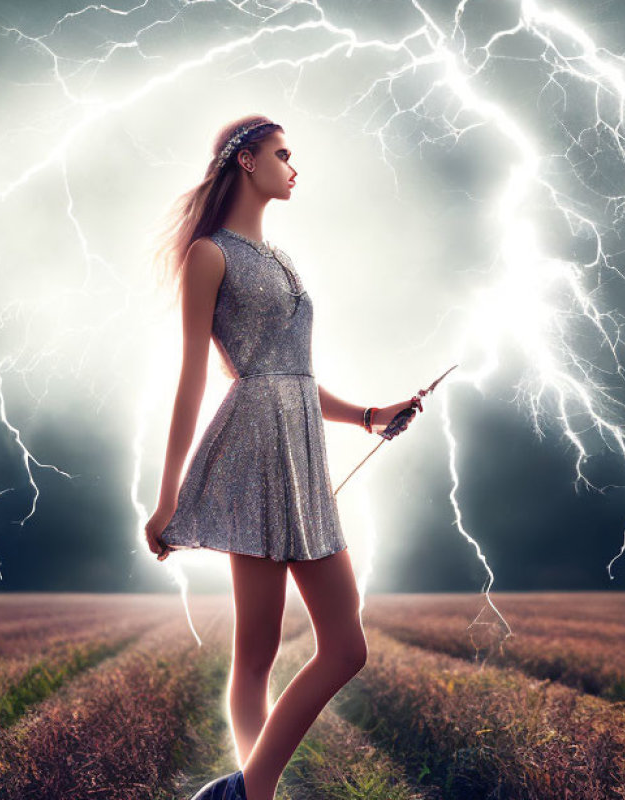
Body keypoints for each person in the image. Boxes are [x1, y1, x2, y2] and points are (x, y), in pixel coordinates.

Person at [144, 114, 421, 800]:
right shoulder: (210, 254)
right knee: (258, 650)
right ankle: (254, 794)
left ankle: (241, 791)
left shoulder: (282, 260)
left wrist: (368, 415)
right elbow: (196, 376)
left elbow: (292, 373)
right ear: (245, 161)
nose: (294, 167)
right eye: (282, 153)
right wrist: (168, 494)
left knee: (344, 647)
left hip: (302, 444)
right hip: (254, 452)